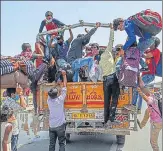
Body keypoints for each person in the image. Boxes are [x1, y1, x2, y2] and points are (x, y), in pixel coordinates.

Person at [132, 37, 161, 113]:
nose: (149, 43)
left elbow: (146, 56)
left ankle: (134, 105)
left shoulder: (156, 51)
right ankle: (138, 108)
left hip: (150, 75)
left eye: (151, 42)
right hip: (145, 74)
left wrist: (138, 53)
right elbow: (142, 50)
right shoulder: (148, 50)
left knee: (137, 87)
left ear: (155, 44)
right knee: (141, 90)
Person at [99, 23, 120, 125]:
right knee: (115, 98)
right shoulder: (107, 52)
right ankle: (111, 118)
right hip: (113, 78)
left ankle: (105, 120)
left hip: (105, 81)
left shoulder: (99, 61)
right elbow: (111, 40)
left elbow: (99, 73)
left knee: (106, 101)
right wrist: (112, 30)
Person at [137, 77, 162, 151]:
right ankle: (142, 125)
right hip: (159, 121)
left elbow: (146, 98)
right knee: (148, 110)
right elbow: (144, 88)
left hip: (156, 123)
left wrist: (139, 91)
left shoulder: (151, 98)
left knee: (153, 142)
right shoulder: (158, 96)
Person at [47, 70, 67, 151]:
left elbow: (51, 92)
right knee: (61, 143)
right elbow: (65, 87)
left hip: (52, 126)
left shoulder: (49, 101)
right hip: (60, 127)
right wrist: (64, 75)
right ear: (57, 94)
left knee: (52, 144)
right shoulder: (60, 100)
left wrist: (56, 83)